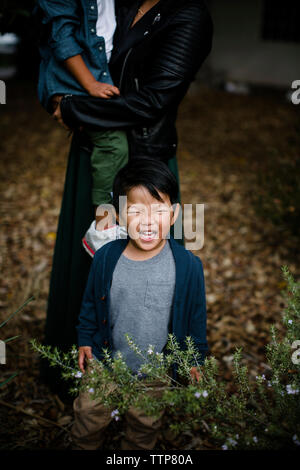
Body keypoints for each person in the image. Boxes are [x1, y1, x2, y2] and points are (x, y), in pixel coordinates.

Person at [41, 0, 213, 397]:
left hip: (144, 160)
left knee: (149, 268)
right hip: (97, 148)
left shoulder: (188, 14)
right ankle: (80, 369)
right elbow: (72, 47)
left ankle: (148, 379)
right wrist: (61, 96)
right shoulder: (119, 4)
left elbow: (155, 100)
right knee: (90, 261)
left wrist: (76, 109)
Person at [71, 157, 207, 450]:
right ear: (118, 215)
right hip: (104, 362)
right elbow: (90, 304)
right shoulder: (106, 258)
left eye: (159, 210)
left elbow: (196, 317)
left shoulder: (188, 266)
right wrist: (85, 339)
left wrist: (196, 359)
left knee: (144, 429)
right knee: (88, 418)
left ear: (173, 215)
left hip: (155, 372)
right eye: (135, 211)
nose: (148, 221)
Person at [35, 0, 129, 245]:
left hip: (99, 74)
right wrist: (91, 84)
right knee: (113, 143)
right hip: (76, 80)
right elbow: (61, 35)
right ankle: (103, 229)